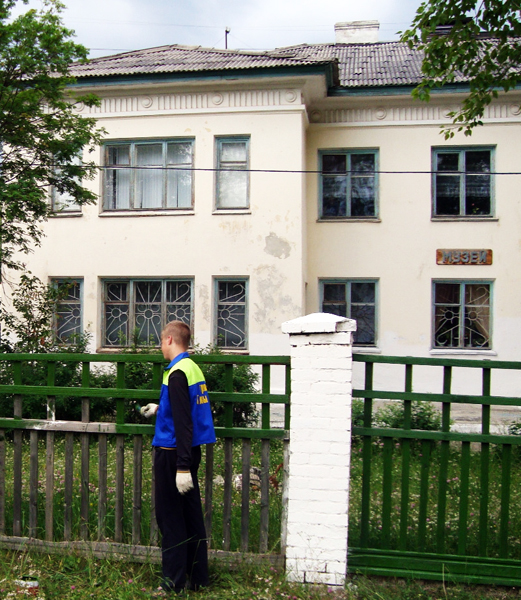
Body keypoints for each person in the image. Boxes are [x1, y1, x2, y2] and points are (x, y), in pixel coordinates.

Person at [141, 320, 216, 595]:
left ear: (170, 340)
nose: (161, 347)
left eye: (161, 341)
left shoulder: (176, 373)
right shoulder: (191, 368)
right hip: (188, 451)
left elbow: (184, 422)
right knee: (191, 517)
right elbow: (184, 408)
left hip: (173, 455)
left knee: (170, 518)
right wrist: (160, 408)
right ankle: (198, 578)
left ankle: (172, 582)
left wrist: (181, 467)